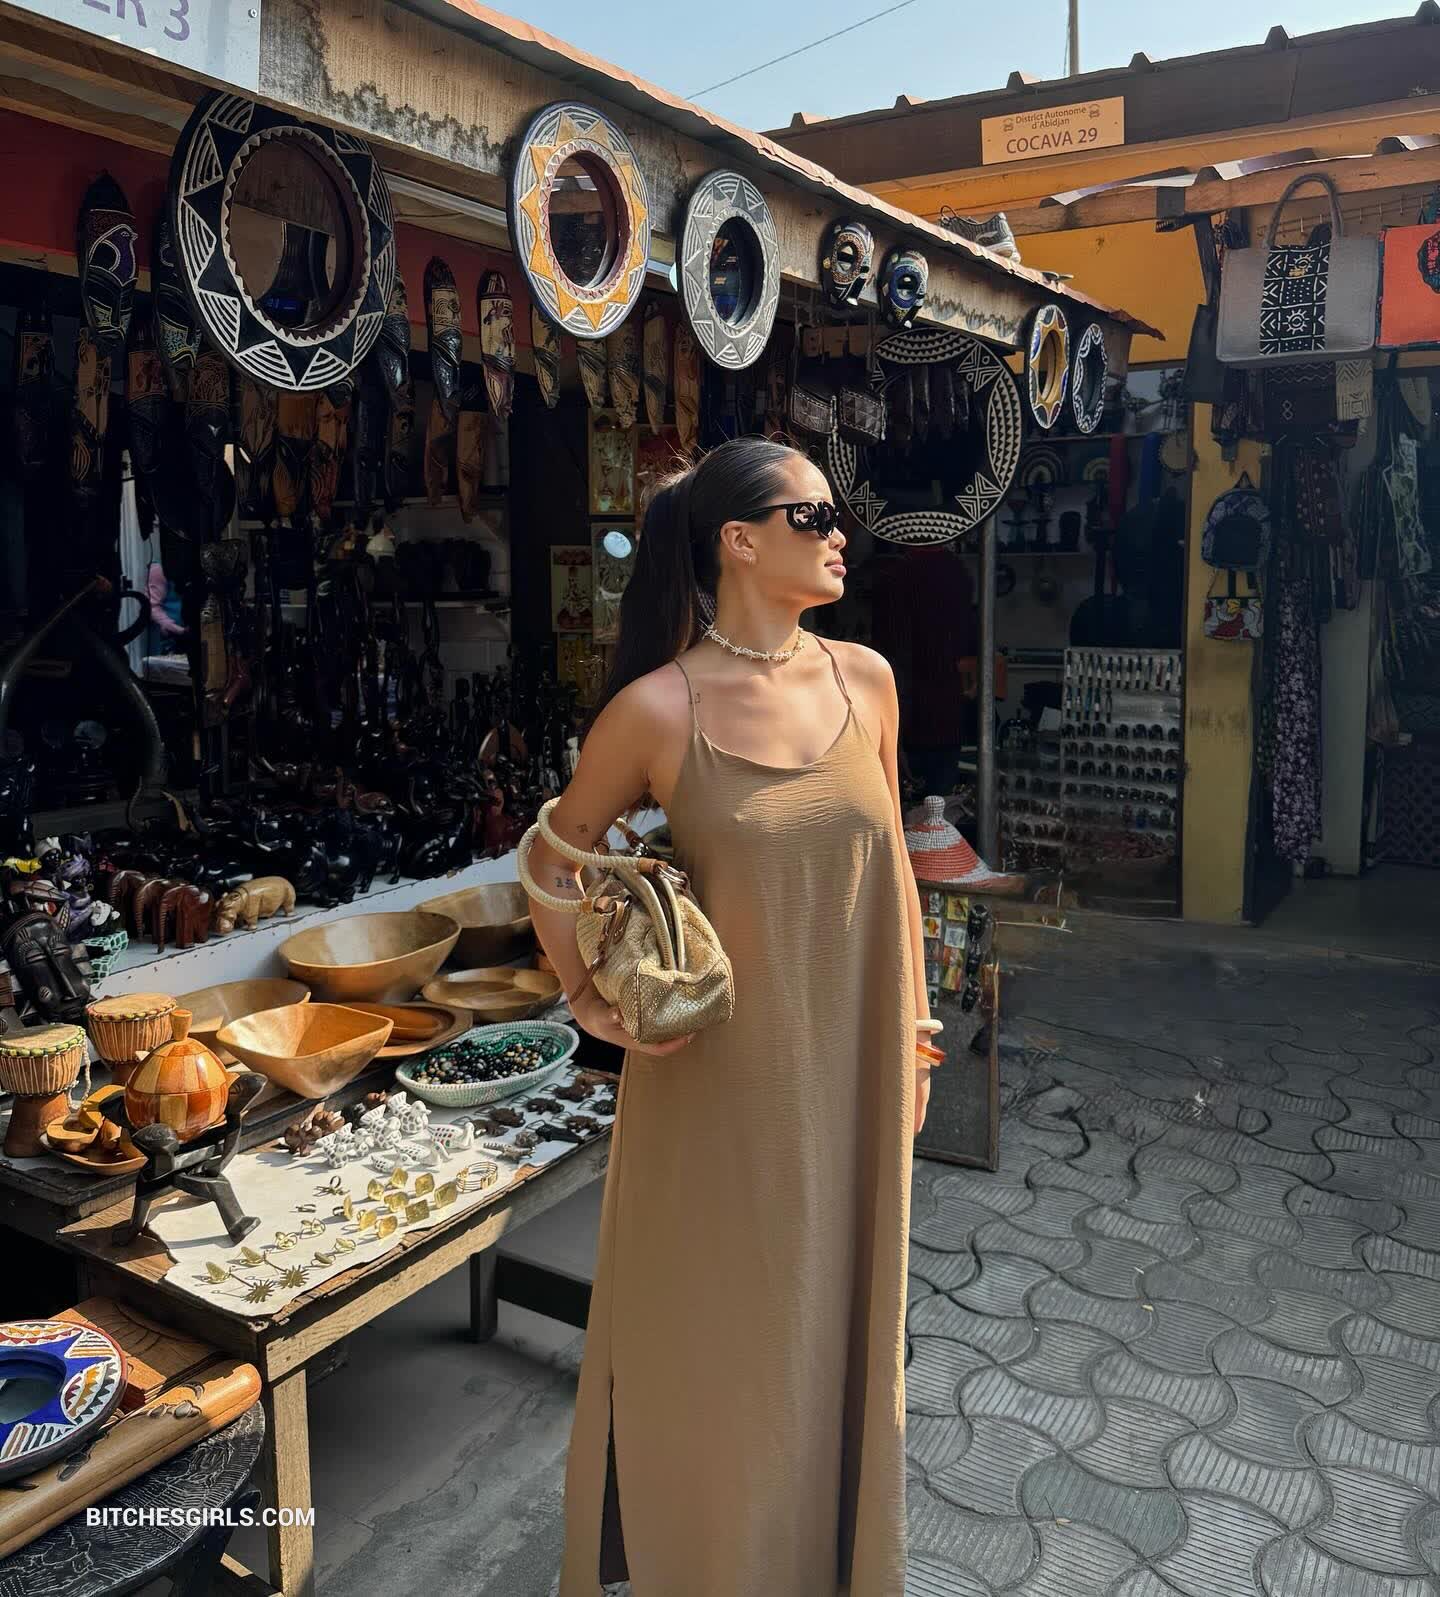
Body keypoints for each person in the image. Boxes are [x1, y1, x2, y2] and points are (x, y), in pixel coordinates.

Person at [524, 436, 934, 1597]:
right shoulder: (659, 709)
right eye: (816, 515)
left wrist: (913, 1030)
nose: (841, 532)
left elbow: (895, 868)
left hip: (851, 1074)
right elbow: (553, 857)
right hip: (713, 1094)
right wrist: (591, 1002)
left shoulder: (866, 681)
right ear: (740, 542)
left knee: (839, 1331)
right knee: (723, 1355)